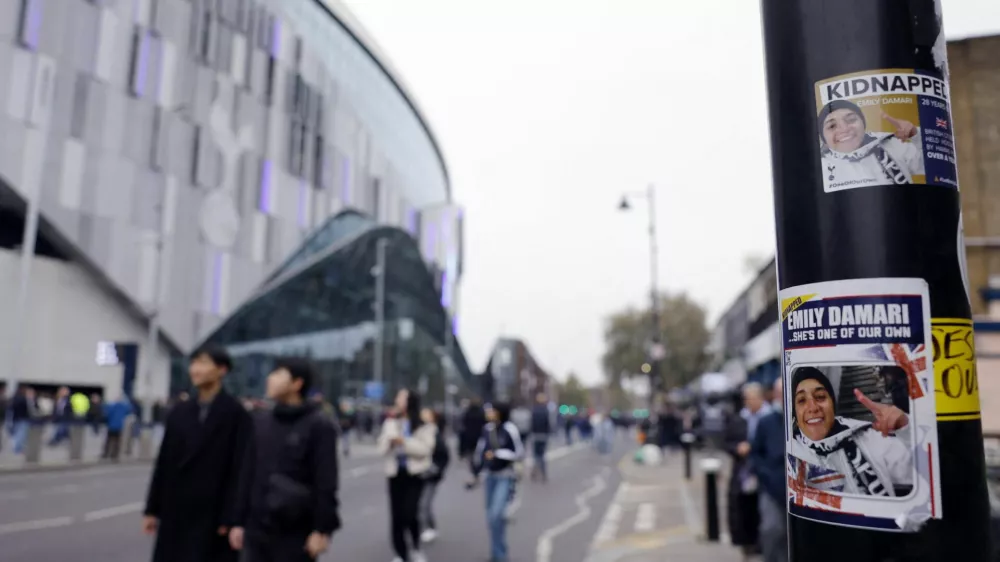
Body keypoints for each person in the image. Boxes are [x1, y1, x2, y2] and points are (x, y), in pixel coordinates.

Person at [142, 345, 253, 562]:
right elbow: (164, 462)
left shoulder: (236, 414)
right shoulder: (180, 411)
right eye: (193, 363)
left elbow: (240, 468)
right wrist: (152, 509)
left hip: (213, 513)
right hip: (176, 508)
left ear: (221, 370)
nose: (195, 369)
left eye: (203, 362)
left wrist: (233, 516)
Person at [230, 358, 339, 562]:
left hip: (295, 531)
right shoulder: (260, 422)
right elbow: (247, 473)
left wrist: (321, 529)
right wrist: (237, 521)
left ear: (297, 383)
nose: (270, 379)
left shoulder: (319, 426)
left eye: (279, 373)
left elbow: (326, 482)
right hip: (257, 530)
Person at [787, 367, 912, 497]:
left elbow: (922, 470)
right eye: (801, 400)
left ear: (832, 405)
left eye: (820, 397)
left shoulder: (868, 438)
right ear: (794, 415)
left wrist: (906, 428)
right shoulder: (790, 454)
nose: (812, 407)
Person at [378, 388, 436, 562]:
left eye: (401, 397)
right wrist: (390, 442)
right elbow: (381, 448)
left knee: (410, 513)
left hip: (415, 474)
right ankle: (400, 553)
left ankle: (416, 547)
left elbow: (425, 450)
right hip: (395, 474)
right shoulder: (390, 422)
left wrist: (403, 441)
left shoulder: (424, 424)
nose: (397, 399)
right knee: (396, 516)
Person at [818, 100, 923, 189]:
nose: (844, 129)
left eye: (851, 120)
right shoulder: (820, 168)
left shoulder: (893, 145)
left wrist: (916, 135)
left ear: (863, 123)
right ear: (823, 137)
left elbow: (933, 167)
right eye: (832, 126)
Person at [469, 402, 524, 562]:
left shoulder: (509, 429)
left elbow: (518, 452)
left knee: (496, 514)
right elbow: (481, 452)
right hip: (490, 477)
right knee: (491, 518)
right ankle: (496, 553)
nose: (488, 413)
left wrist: (498, 454)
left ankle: (501, 555)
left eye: (491, 410)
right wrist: (476, 472)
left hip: (505, 476)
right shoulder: (487, 429)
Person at [726, 383, 771, 560]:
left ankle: (762, 545)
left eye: (751, 398)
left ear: (760, 398)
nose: (748, 402)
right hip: (744, 472)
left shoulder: (770, 417)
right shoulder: (739, 419)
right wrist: (737, 449)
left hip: (765, 472)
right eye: (746, 399)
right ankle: (748, 543)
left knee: (765, 510)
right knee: (744, 508)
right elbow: (727, 441)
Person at [751, 378, 788, 562]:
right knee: (772, 529)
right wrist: (766, 475)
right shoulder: (766, 422)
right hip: (771, 487)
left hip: (795, 488)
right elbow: (756, 454)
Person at [418, 409, 450, 544]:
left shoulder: (435, 434)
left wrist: (436, 469)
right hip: (419, 473)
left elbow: (444, 456)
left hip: (431, 475)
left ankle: (427, 528)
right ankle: (427, 527)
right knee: (421, 503)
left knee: (423, 503)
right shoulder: (421, 430)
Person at [529, 393, 552, 482]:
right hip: (544, 435)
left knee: (535, 455)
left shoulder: (534, 410)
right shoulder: (546, 411)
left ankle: (534, 471)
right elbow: (548, 424)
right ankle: (543, 473)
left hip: (535, 435)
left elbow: (532, 423)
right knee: (542, 455)